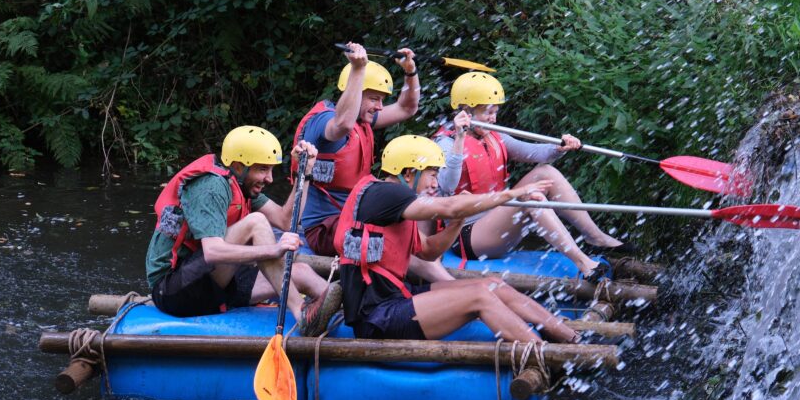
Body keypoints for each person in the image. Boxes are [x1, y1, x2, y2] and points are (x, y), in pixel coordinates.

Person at [335, 134, 579, 343]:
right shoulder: (386, 193)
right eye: (432, 174)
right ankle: (546, 355)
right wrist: (517, 193)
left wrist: (459, 221)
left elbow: (429, 250)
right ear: (408, 173)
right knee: (479, 296)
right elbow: (451, 206)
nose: (435, 183)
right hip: (378, 318)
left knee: (492, 285)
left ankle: (569, 337)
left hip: (398, 299)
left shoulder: (395, 205)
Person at [433, 72, 636, 283]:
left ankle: (594, 236)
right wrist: (459, 138)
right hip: (468, 235)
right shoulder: (446, 143)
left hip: (498, 217)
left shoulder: (494, 135)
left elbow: (533, 153)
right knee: (530, 199)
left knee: (546, 172)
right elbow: (447, 186)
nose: (494, 118)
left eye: (496, 111)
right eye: (488, 112)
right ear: (466, 111)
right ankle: (584, 264)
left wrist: (559, 147)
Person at [145, 125, 342, 336]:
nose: (270, 178)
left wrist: (305, 173)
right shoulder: (210, 187)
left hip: (211, 281)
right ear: (239, 166)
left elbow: (285, 220)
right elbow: (213, 252)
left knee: (302, 273)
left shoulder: (241, 184)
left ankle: (347, 319)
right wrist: (272, 250)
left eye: (270, 170)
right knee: (255, 222)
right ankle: (301, 312)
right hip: (173, 290)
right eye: (262, 169)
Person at [293, 41, 420, 256]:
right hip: (323, 229)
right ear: (354, 91)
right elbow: (342, 124)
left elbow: (407, 108)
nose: (379, 106)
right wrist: (358, 69)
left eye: (381, 100)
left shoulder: (363, 121)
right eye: (374, 98)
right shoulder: (325, 122)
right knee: (385, 240)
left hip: (352, 217)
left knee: (405, 226)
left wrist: (410, 72)